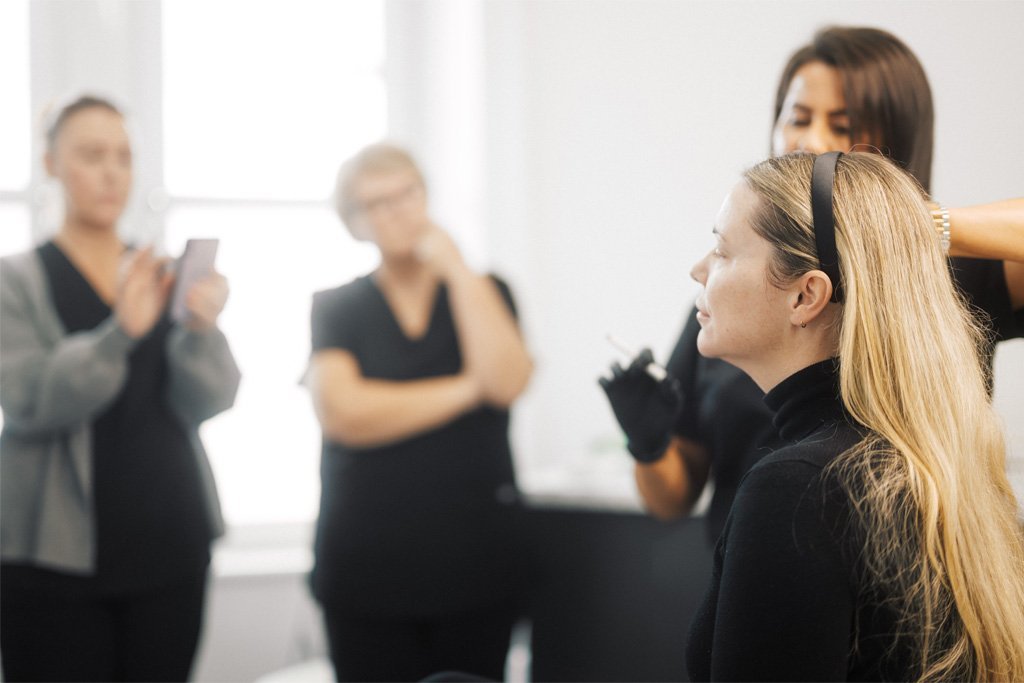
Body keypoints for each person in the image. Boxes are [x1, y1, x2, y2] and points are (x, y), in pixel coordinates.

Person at [601, 26, 1024, 543]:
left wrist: (907, 225)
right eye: (797, 119)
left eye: (843, 125)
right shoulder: (732, 305)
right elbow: (674, 496)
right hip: (755, 581)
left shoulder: (951, 280)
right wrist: (648, 442)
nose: (811, 141)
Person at [684, 150, 1024, 681]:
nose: (698, 269)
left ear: (806, 295)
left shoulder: (800, 492)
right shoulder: (915, 466)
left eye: (723, 252)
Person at [0, 95, 240, 681]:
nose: (112, 173)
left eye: (124, 157)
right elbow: (28, 399)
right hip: (53, 560)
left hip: (171, 541)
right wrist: (119, 335)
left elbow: (210, 399)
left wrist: (199, 333)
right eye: (91, 155)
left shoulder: (158, 273)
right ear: (51, 163)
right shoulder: (15, 280)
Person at [306, 143, 533, 682]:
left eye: (407, 193)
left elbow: (505, 381)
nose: (398, 210)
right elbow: (344, 415)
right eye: (376, 203)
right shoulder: (336, 307)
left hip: (474, 564)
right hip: (367, 567)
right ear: (354, 222)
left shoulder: (486, 290)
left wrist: (457, 270)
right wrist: (465, 390)